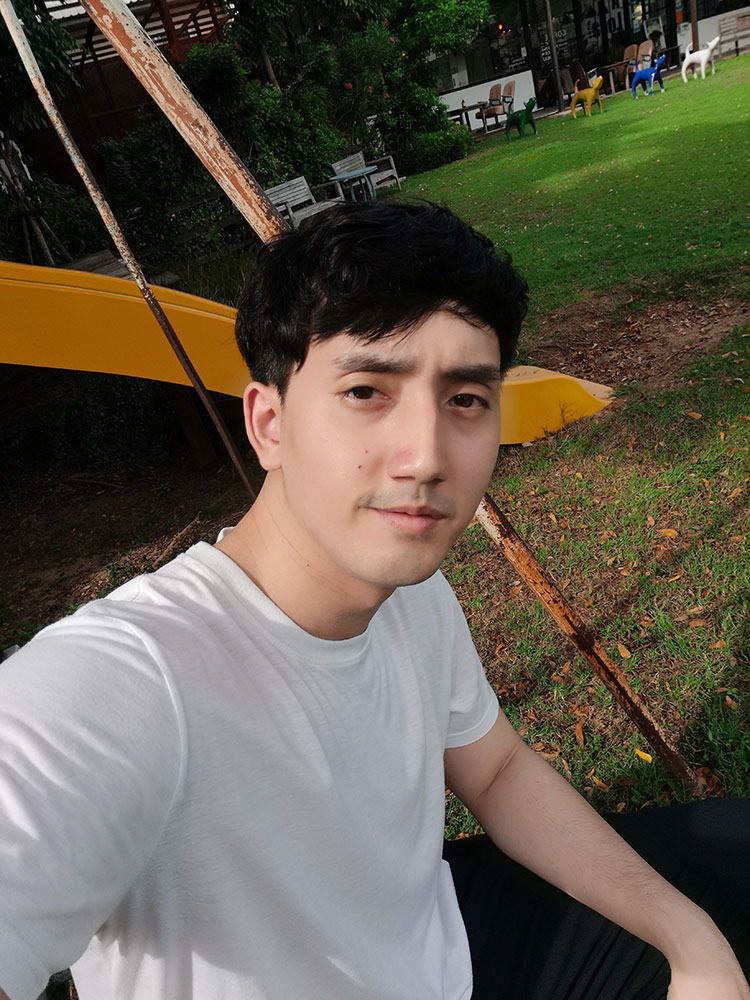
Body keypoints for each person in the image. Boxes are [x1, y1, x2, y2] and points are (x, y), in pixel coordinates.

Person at [0, 200, 748, 1000]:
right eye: (366, 391)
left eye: (465, 399)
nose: (425, 457)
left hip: (442, 951)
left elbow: (496, 770)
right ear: (268, 424)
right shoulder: (122, 682)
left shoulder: (411, 597)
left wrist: (688, 939)